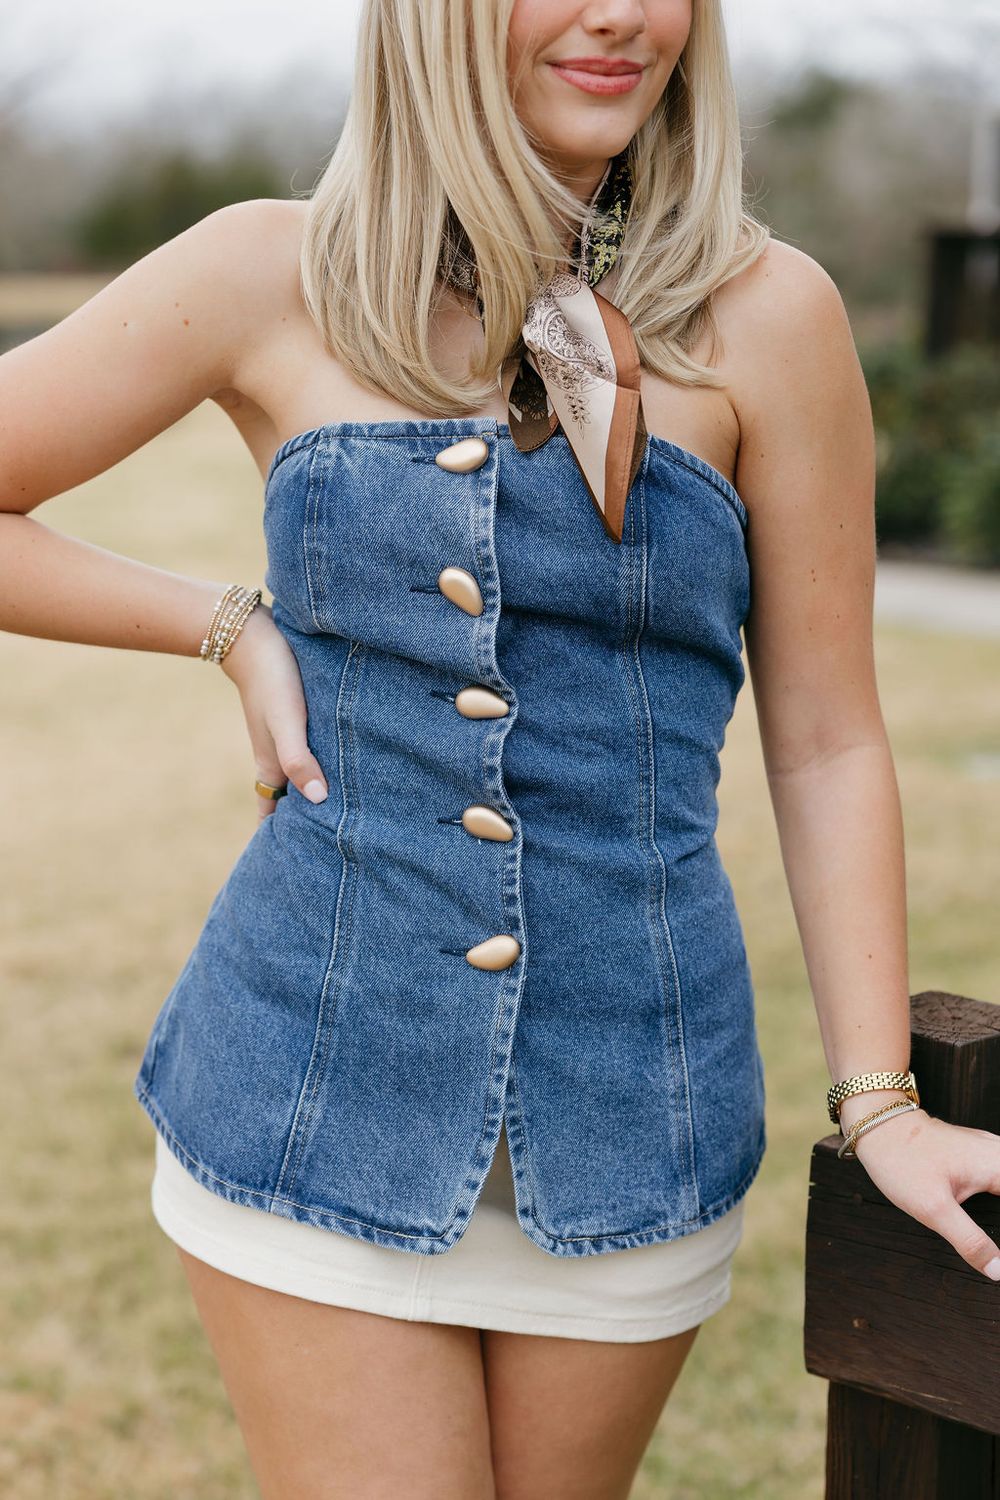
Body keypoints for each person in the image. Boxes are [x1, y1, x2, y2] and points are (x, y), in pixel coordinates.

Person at [3, 1, 1000, 1496]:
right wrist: (226, 625)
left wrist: (880, 1104)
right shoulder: (268, 271)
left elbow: (828, 736)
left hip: (638, 1116)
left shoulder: (772, 315)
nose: (621, 16)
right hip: (308, 1094)